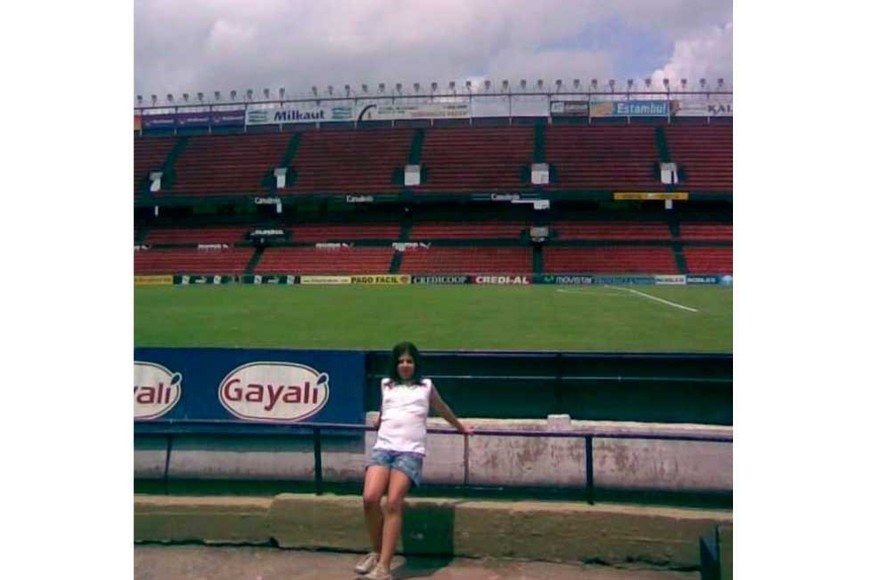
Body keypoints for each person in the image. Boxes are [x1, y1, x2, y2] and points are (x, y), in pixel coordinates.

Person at [355, 342, 472, 580]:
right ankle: (376, 552)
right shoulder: (386, 384)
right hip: (384, 447)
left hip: (410, 452)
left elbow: (442, 408)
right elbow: (385, 409)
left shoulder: (426, 386)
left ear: (416, 364)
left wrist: (460, 427)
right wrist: (380, 419)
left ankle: (384, 568)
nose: (405, 365)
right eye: (401, 361)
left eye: (409, 361)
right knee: (369, 498)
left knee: (393, 502)